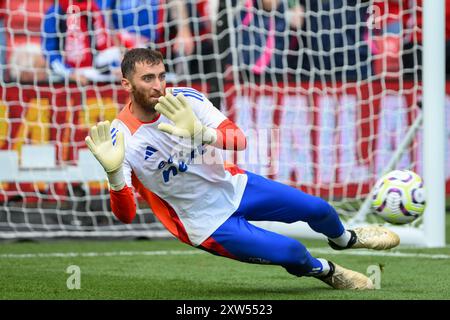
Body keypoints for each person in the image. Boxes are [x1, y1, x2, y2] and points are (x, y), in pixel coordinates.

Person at [85, 48, 400, 290]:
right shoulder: (121, 137)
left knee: (319, 209)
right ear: (126, 83)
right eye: (148, 79)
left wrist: (203, 134)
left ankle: (345, 239)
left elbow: (239, 140)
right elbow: (126, 216)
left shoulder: (185, 100)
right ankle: (327, 271)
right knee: (292, 252)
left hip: (234, 185)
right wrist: (114, 175)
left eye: (162, 76)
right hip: (204, 222)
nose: (159, 86)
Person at [42, 0, 122, 85]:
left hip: (96, 69)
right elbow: (49, 52)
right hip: (69, 72)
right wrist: (70, 73)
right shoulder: (55, 12)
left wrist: (116, 66)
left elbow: (104, 42)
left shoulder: (94, 5)